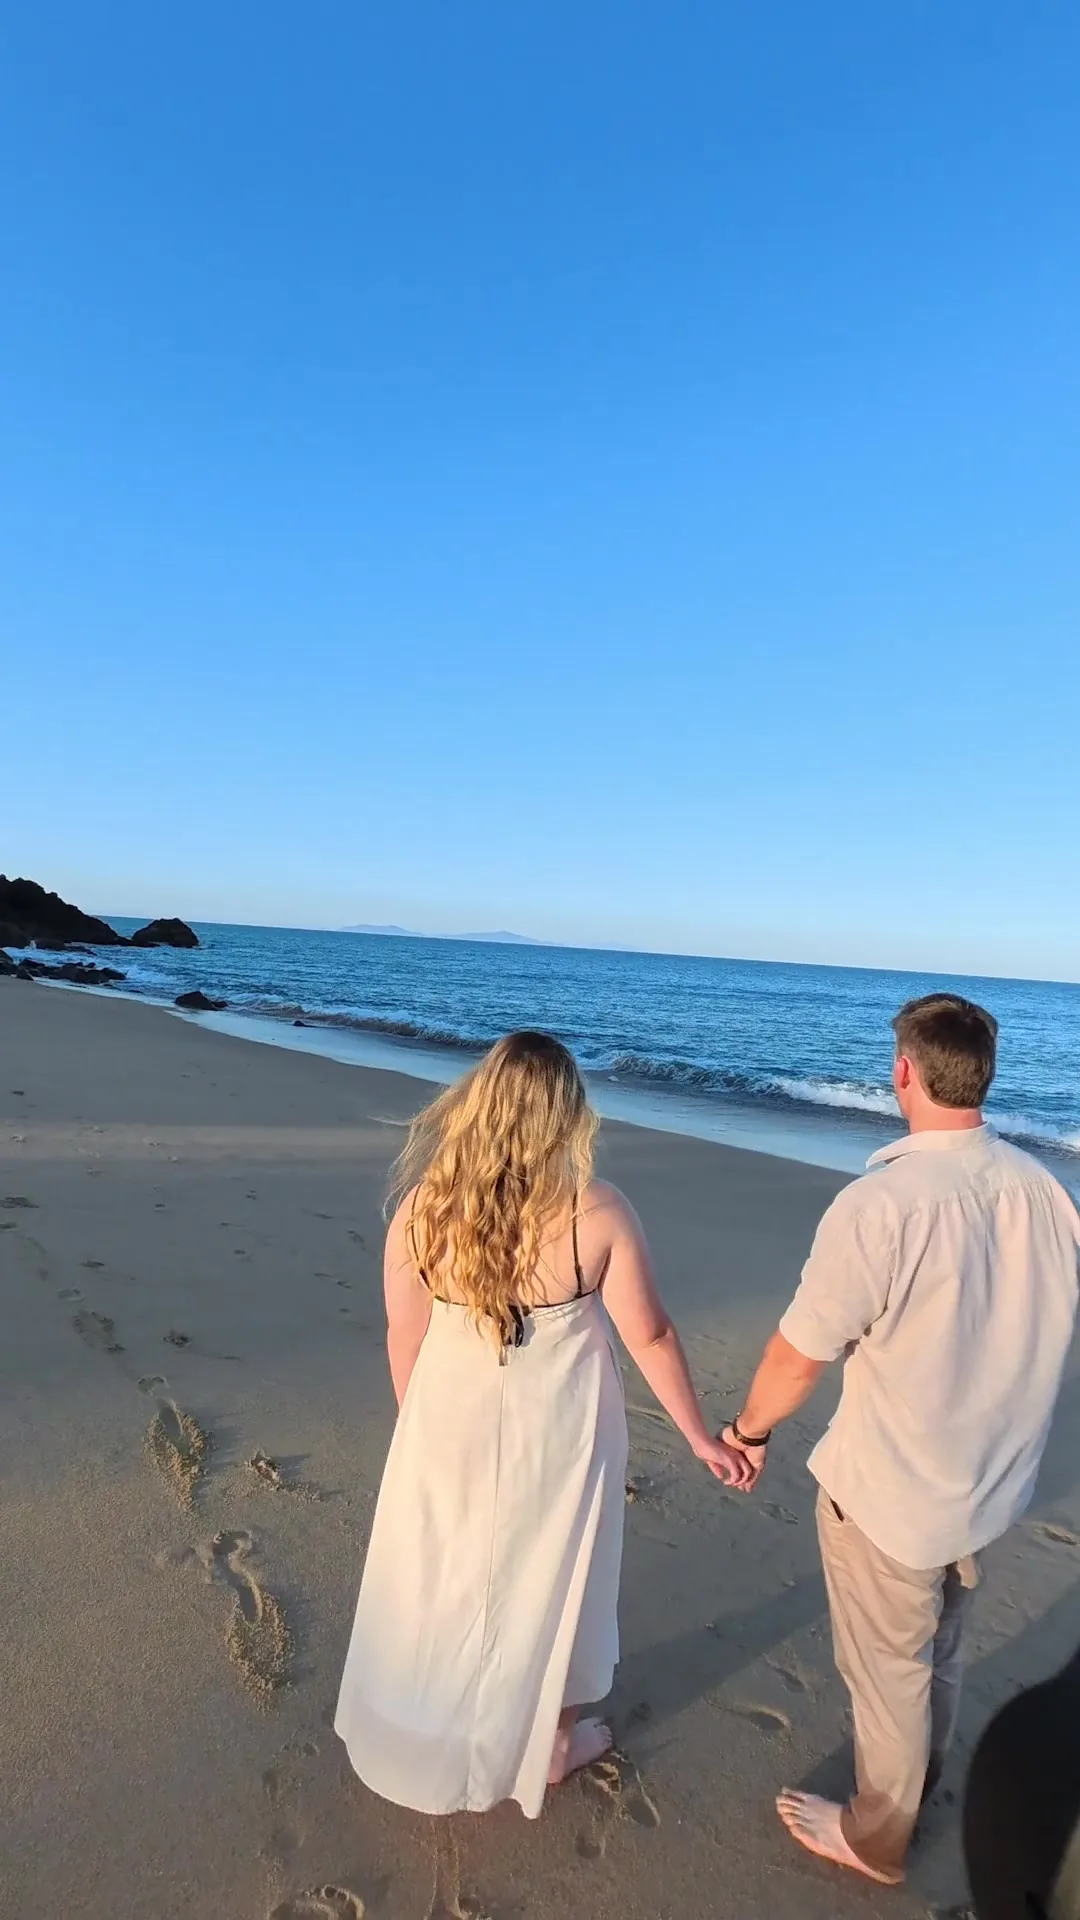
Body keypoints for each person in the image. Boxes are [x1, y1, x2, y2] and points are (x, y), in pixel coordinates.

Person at [335, 1029, 752, 1820]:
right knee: (555, 1577)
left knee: (441, 1574)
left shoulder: (424, 1208)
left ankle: (422, 1728)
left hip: (445, 1420)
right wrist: (700, 1436)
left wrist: (415, 1427)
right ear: (568, 1115)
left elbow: (404, 1334)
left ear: (478, 1101)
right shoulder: (595, 1211)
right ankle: (550, 1743)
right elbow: (650, 1334)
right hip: (558, 1431)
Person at [721, 993, 1080, 1887]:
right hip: (991, 1478)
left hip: (894, 1488)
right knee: (940, 1645)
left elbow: (797, 1355)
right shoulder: (1045, 1191)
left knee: (888, 1668)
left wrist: (747, 1430)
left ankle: (878, 1834)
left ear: (904, 1072)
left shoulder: (880, 1204)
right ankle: (919, 1778)